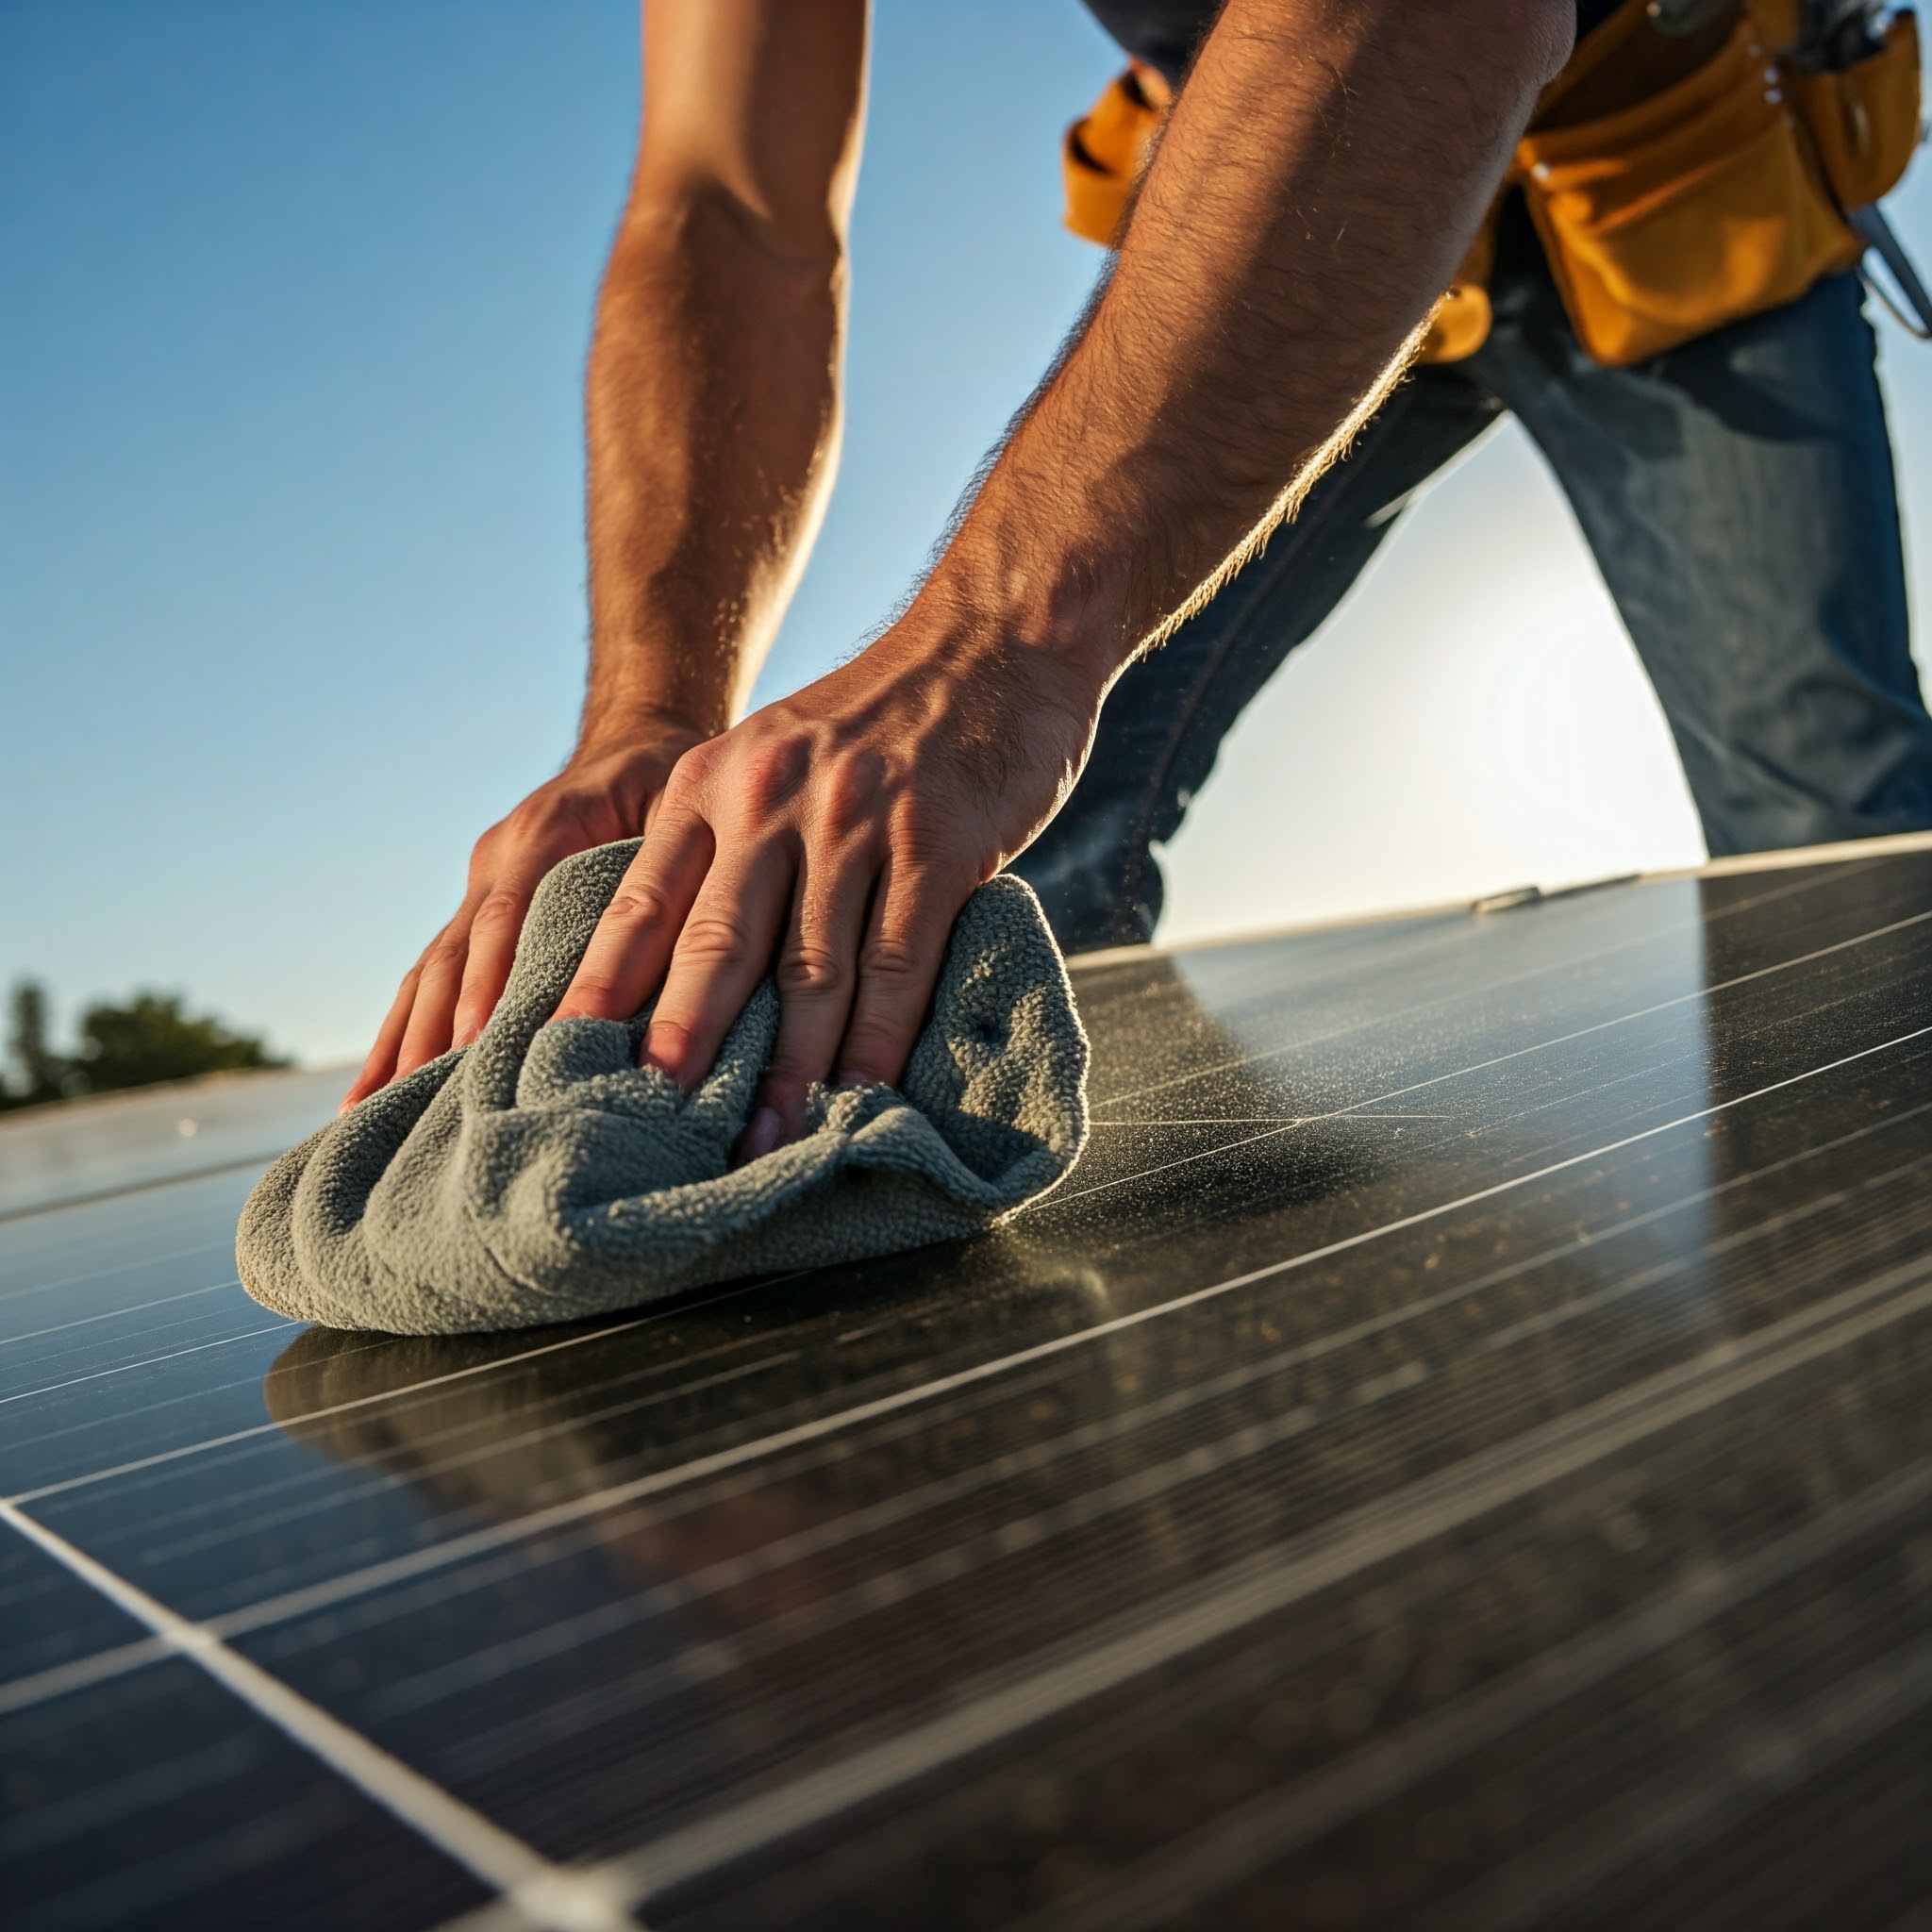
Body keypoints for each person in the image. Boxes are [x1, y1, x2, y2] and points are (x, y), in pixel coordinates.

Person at [343, 0, 1932, 1164]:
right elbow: (729, 201)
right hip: (1293, 216)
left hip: (1669, 184)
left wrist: (985, 646)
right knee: (1006, 844)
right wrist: (649, 713)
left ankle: (1872, 1314)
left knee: (1830, 817)